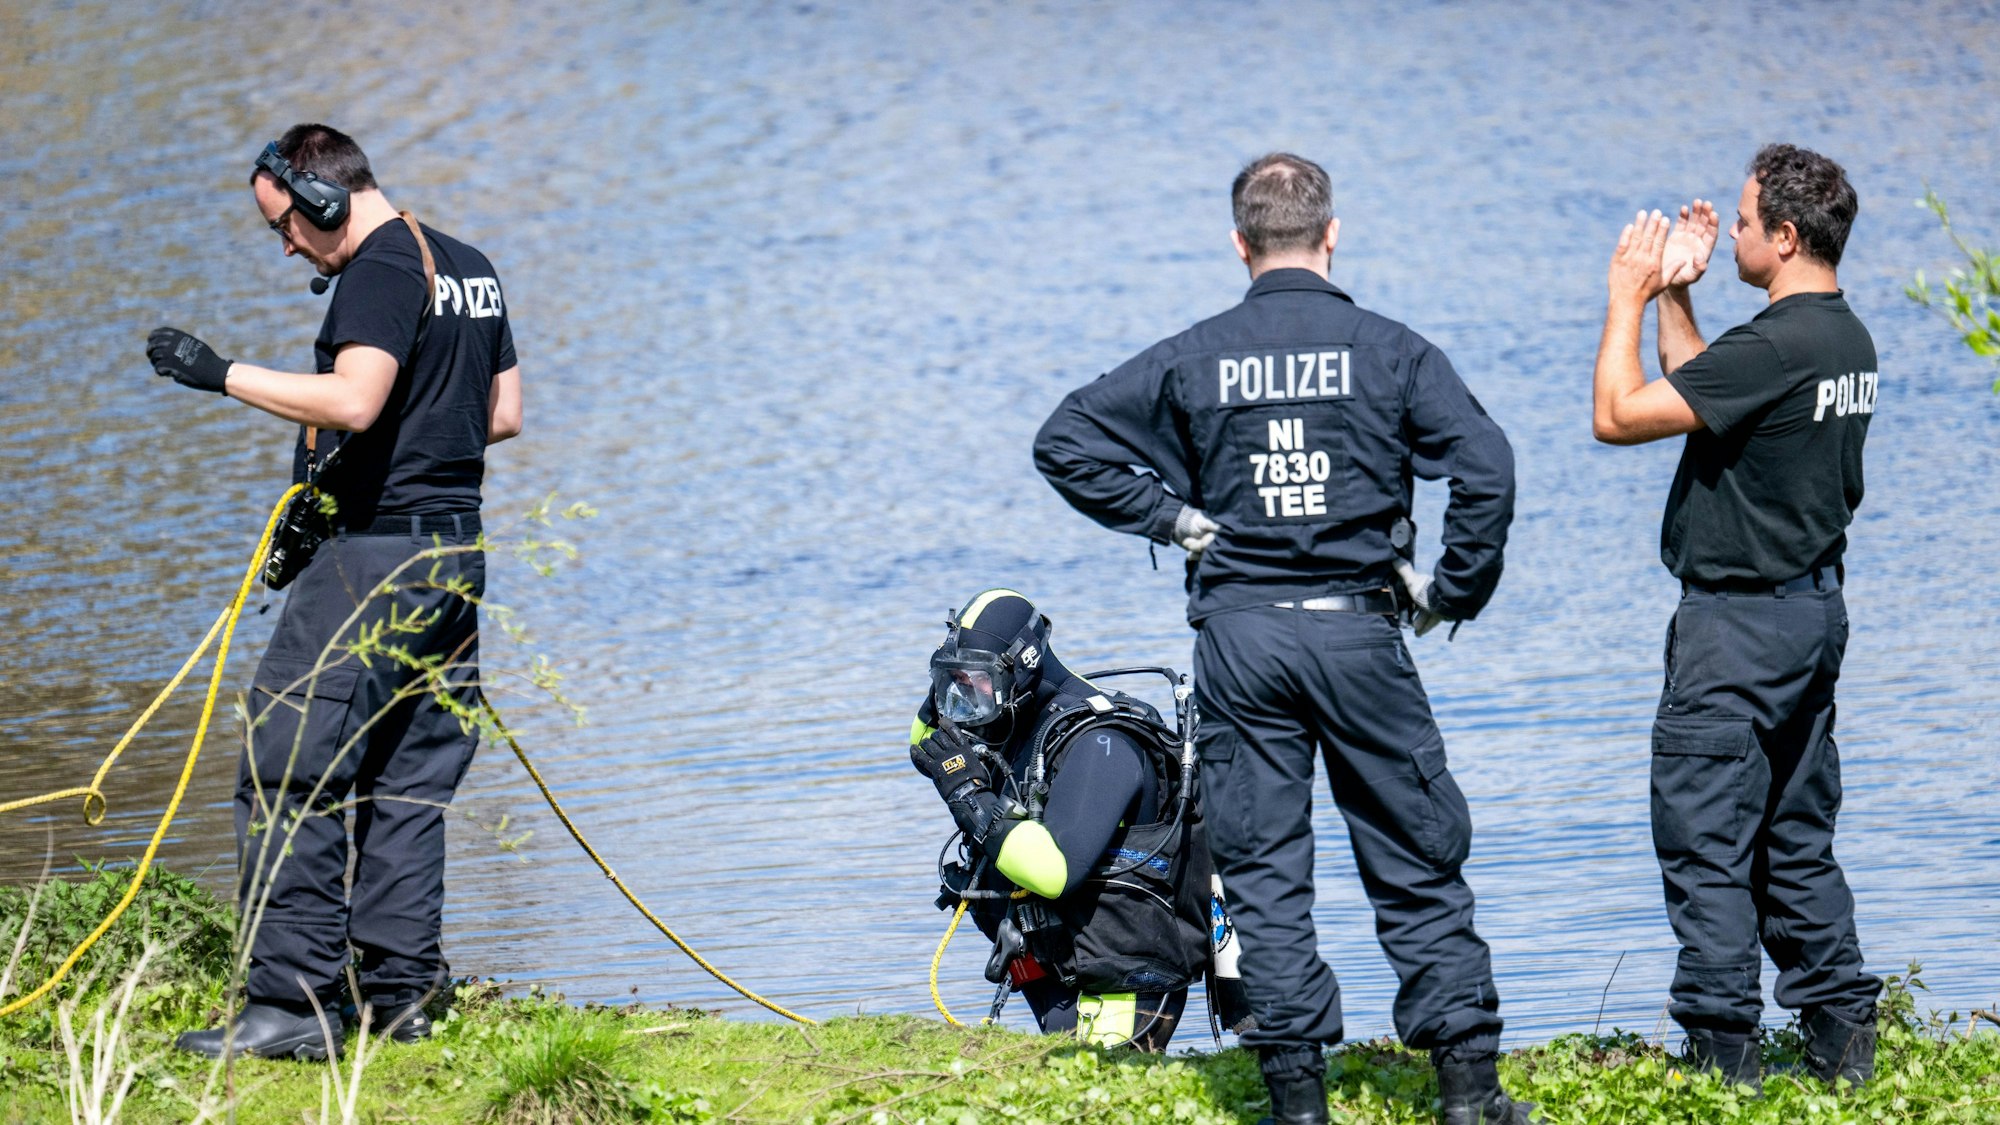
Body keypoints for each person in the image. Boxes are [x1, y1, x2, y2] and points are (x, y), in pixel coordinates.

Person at [1034, 154, 1529, 1125]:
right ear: (1330, 233)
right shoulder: (1389, 350)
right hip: (1357, 634)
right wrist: (1449, 592)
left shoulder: (1192, 355)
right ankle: (1468, 1097)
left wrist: (1172, 519)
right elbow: (1487, 464)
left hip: (1243, 637)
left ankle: (1297, 1106)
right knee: (1415, 853)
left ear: (1239, 243)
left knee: (1263, 870)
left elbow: (1064, 439)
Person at [146, 123, 523, 1060]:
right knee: (405, 780)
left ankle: (293, 1006)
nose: (285, 247)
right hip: (452, 558)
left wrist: (219, 373)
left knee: (287, 766)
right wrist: (349, 480)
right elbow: (502, 416)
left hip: (375, 566)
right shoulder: (467, 261)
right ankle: (403, 997)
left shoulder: (381, 271)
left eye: (285, 226)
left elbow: (356, 399)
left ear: (321, 200)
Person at [1590, 144, 1881, 1090]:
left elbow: (1621, 412)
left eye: (1749, 225)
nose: (1738, 234)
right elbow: (1708, 394)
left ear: (1786, 237)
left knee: (1707, 842)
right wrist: (1681, 294)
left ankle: (1727, 1063)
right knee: (1796, 837)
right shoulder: (1841, 338)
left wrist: (1628, 291)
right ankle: (1842, 1049)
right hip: (1810, 617)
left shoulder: (1779, 344)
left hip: (1733, 633)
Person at [908, 589, 1232, 1051]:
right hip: (1056, 960)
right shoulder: (1014, 714)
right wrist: (945, 691)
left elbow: (1053, 871)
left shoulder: (1101, 742)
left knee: (1109, 1094)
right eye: (949, 683)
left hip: (1122, 975)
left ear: (1021, 667)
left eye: (972, 683)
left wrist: (968, 794)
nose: (961, 703)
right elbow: (923, 743)